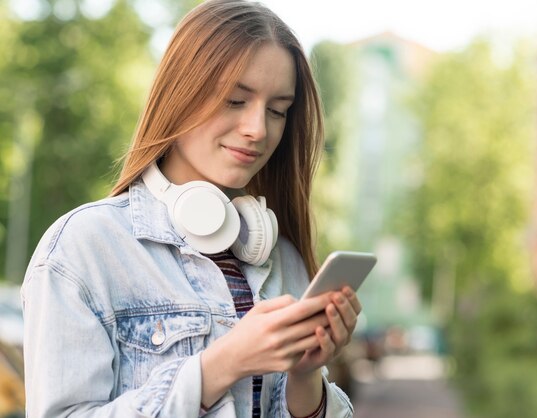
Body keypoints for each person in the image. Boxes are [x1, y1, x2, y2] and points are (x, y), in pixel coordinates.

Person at [21, 0, 361, 417]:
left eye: (277, 111)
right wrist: (219, 367)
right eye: (236, 100)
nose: (258, 129)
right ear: (180, 94)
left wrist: (307, 377)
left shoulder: (282, 260)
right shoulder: (83, 249)